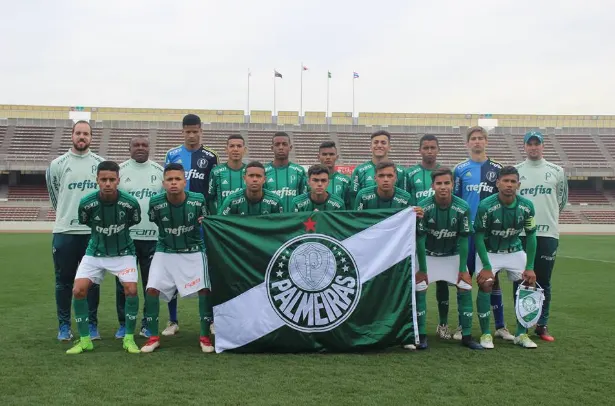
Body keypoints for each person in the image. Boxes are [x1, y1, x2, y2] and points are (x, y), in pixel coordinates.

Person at [66, 161, 141, 354]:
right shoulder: (87, 203)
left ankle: (129, 339)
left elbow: (134, 220)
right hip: (95, 252)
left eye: (112, 179)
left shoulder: (130, 203)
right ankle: (84, 340)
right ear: (97, 180)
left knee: (131, 290)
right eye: (103, 179)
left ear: (118, 180)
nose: (108, 183)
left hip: (123, 252)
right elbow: (85, 221)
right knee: (78, 290)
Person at [140, 163, 214, 353]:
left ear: (184, 182)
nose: (174, 183)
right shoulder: (156, 202)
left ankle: (205, 336)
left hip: (194, 250)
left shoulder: (198, 200)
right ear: (163, 183)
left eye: (178, 179)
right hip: (165, 250)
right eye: (170, 180)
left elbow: (205, 222)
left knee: (205, 289)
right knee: (151, 290)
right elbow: (156, 220)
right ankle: (153, 337)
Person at [46, 120, 104, 341]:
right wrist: (65, 216)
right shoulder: (57, 164)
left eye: (86, 134)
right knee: (64, 280)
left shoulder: (100, 163)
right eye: (78, 133)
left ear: (91, 137)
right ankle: (64, 326)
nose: (82, 137)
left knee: (92, 281)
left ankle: (91, 324)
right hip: (65, 232)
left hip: (92, 233)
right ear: (72, 135)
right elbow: (55, 198)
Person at [453, 126, 511, 341]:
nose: (477, 142)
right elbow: (456, 200)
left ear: (486, 142)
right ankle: (462, 325)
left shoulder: (497, 169)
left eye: (480, 138)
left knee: (492, 279)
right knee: (465, 278)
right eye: (473, 139)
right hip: (467, 233)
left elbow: (504, 200)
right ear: (468, 143)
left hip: (489, 234)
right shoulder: (460, 170)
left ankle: (500, 326)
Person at [163, 114, 218, 336]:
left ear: (201, 130)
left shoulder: (211, 157)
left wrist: (209, 216)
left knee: (206, 270)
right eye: (188, 131)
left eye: (196, 131)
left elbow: (213, 192)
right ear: (182, 131)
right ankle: (172, 321)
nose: (192, 135)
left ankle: (211, 320)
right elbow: (167, 186)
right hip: (176, 222)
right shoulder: (172, 154)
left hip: (201, 222)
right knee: (173, 268)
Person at [415, 168, 482, 350]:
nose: (443, 187)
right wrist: (422, 269)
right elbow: (419, 239)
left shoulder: (462, 207)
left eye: (446, 183)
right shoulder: (423, 207)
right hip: (428, 255)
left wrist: (462, 268)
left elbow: (463, 239)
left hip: (452, 256)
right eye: (439, 183)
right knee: (419, 287)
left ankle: (466, 336)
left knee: (465, 286)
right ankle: (421, 336)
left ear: (452, 184)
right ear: (432, 186)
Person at [474, 166, 538, 349]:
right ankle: (486, 333)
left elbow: (531, 236)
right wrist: (486, 265)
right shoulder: (485, 205)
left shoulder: (527, 206)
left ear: (518, 185)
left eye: (513, 181)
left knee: (529, 283)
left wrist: (530, 266)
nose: (509, 185)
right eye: (505, 181)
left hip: (514, 250)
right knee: (486, 282)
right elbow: (478, 237)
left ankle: (521, 333)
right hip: (489, 251)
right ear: (498, 183)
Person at [515, 130, 568, 341]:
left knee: (544, 281)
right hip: (521, 234)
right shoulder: (517, 171)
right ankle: (521, 324)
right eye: (530, 144)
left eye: (537, 144)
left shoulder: (557, 171)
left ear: (543, 146)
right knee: (521, 281)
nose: (533, 147)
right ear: (525, 146)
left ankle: (542, 324)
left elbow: (561, 201)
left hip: (547, 234)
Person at [405, 134, 454, 340]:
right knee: (418, 281)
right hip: (416, 233)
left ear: (438, 150)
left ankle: (443, 324)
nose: (429, 151)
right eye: (425, 148)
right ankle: (416, 326)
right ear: (420, 151)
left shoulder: (445, 173)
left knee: (443, 282)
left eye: (433, 147)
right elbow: (406, 200)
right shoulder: (410, 174)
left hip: (443, 234)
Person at [116, 135, 164, 339]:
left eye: (144, 145)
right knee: (123, 285)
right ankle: (123, 324)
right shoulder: (119, 171)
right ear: (129, 148)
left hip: (153, 238)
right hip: (126, 239)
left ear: (149, 148)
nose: (141, 148)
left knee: (150, 284)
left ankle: (147, 323)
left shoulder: (159, 172)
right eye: (136, 145)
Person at [350, 130, 405, 205]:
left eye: (383, 143)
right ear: (370, 147)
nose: (379, 145)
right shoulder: (359, 171)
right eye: (375, 142)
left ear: (389, 147)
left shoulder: (401, 172)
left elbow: (404, 198)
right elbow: (353, 199)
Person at [219, 161, 283, 216]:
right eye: (251, 176)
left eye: (258, 176)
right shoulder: (231, 201)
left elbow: (281, 225)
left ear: (264, 179)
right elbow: (221, 223)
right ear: (244, 178)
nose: (255, 179)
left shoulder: (275, 201)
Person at [264, 132, 307, 211]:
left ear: (290, 147)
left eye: (284, 144)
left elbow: (304, 198)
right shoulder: (263, 171)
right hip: (271, 220)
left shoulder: (299, 171)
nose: (281, 147)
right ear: (272, 148)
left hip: (294, 219)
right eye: (277, 144)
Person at [207, 134, 247, 214]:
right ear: (226, 149)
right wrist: (217, 217)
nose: (235, 149)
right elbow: (210, 199)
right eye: (232, 146)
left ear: (245, 150)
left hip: (245, 222)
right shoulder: (216, 172)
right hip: (223, 223)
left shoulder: (250, 172)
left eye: (239, 146)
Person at [317, 141, 351, 208]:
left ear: (337, 157)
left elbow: (349, 207)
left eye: (331, 154)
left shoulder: (346, 181)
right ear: (318, 157)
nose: (328, 157)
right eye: (324, 154)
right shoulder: (310, 181)